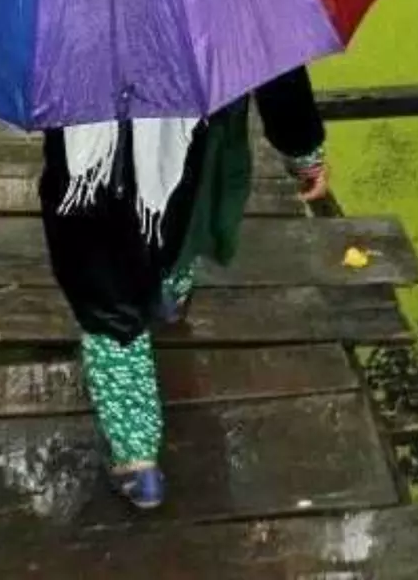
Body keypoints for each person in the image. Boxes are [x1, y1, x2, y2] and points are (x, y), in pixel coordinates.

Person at [38, 65, 329, 510]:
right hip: (192, 134)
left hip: (89, 156)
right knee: (178, 211)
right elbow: (271, 60)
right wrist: (303, 149)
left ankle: (138, 462)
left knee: (108, 298)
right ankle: (170, 291)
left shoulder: (54, 0)